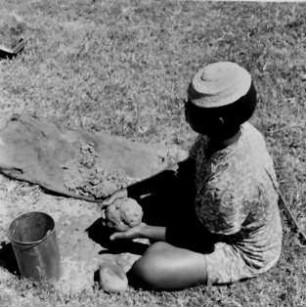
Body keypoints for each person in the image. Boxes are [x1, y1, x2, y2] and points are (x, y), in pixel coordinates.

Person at [101, 62, 283, 290]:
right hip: (213, 214)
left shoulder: (227, 185)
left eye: (192, 107)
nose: (185, 109)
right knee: (160, 201)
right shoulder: (228, 133)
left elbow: (202, 238)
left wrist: (141, 231)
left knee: (150, 268)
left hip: (238, 248)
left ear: (219, 120)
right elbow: (185, 169)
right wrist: (132, 189)